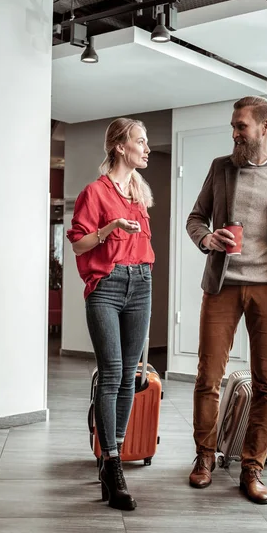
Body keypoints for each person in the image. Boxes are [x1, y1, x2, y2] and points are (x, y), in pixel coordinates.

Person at [186, 96, 267, 504]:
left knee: (266, 383)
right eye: (234, 126)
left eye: (241, 126)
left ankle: (252, 467)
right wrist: (207, 238)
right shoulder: (222, 168)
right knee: (208, 377)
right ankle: (205, 456)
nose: (235, 133)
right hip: (222, 285)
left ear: (265, 127)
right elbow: (195, 217)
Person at [67, 117, 154, 511]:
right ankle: (113, 463)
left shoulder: (138, 193)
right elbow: (79, 246)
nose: (146, 147)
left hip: (141, 285)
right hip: (106, 286)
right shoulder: (94, 192)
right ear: (120, 146)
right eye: (140, 141)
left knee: (131, 376)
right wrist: (109, 228)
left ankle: (110, 459)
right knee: (113, 372)